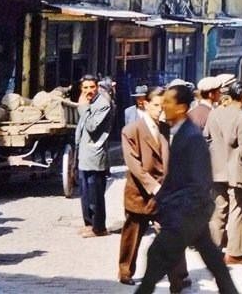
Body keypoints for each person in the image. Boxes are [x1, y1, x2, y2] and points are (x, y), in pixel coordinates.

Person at [135, 85, 238, 294]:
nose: (165, 105)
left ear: (181, 107)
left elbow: (198, 182)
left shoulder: (191, 137)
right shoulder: (181, 132)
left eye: (169, 102)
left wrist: (174, 209)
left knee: (156, 256)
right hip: (192, 213)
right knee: (214, 261)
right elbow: (175, 176)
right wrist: (160, 199)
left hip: (187, 213)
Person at [118, 87, 189, 290]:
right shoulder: (131, 130)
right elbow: (134, 165)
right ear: (145, 104)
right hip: (140, 193)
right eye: (156, 105)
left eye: (164, 105)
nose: (160, 110)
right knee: (132, 235)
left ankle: (178, 276)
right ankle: (125, 271)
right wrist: (153, 186)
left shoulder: (165, 128)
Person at [204, 81, 242, 264]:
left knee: (218, 210)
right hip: (236, 170)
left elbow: (207, 137)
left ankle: (212, 248)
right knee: (237, 211)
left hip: (216, 169)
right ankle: (234, 253)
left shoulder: (214, 114)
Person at [75, 75, 113, 238]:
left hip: (95, 154)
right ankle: (89, 224)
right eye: (85, 88)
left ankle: (99, 227)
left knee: (95, 193)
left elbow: (92, 126)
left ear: (97, 87)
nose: (89, 91)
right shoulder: (88, 103)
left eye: (92, 87)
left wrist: (83, 108)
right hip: (84, 154)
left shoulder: (103, 104)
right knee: (85, 192)